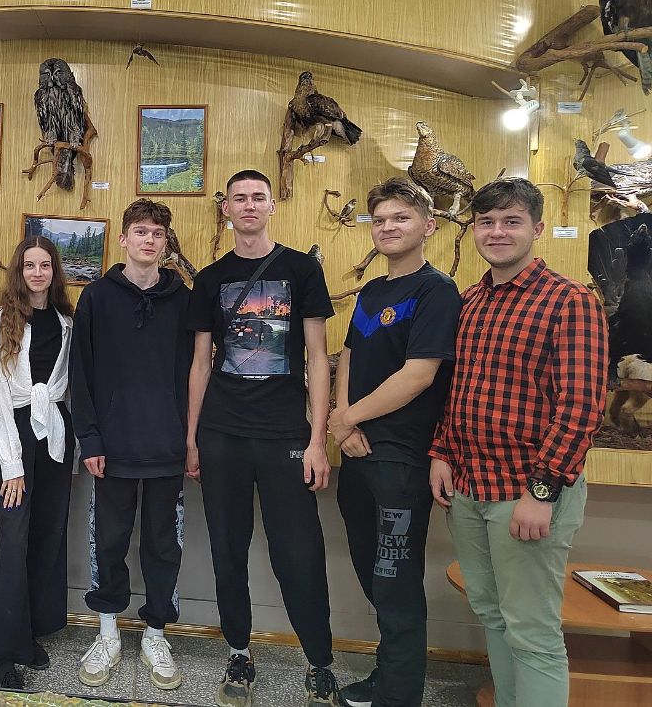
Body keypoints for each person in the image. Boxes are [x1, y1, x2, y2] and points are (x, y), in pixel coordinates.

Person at [429, 178, 607, 707]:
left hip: (527, 491)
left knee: (532, 631)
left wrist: (542, 492)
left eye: (511, 222)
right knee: (492, 614)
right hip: (469, 488)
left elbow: (581, 408)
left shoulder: (570, 302)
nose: (497, 232)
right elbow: (456, 390)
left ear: (538, 228)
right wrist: (441, 452)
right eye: (486, 222)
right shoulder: (468, 302)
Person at [186, 169, 342, 707]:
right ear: (226, 209)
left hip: (284, 434)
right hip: (222, 433)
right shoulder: (210, 279)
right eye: (239, 198)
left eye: (258, 197)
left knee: (299, 552)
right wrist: (192, 438)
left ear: (272, 206)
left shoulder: (301, 270)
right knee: (227, 549)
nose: (249, 205)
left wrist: (318, 440)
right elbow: (201, 363)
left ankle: (319, 661)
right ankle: (238, 651)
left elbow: (317, 358)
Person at [327, 178, 462, 707]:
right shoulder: (372, 291)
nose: (387, 227)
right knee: (373, 575)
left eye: (400, 218)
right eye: (379, 219)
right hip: (357, 452)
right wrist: (343, 421)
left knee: (395, 582)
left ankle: (399, 694)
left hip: (401, 459)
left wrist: (347, 419)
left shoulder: (436, 291)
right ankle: (387, 677)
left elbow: (418, 375)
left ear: (428, 226)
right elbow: (349, 356)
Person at [70, 199, 191, 692]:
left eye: (157, 233)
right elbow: (80, 374)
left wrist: (190, 439)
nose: (149, 240)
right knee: (109, 541)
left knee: (164, 544)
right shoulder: (96, 298)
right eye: (140, 231)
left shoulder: (183, 300)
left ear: (166, 243)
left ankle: (157, 634)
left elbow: (193, 374)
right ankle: (107, 633)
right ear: (123, 239)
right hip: (111, 447)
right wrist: (89, 439)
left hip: (167, 447)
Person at [0, 235, 75, 691]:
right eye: (29, 265)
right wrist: (10, 462)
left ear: (54, 272)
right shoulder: (0, 321)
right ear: (19, 271)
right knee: (15, 542)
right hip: (12, 435)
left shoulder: (66, 322)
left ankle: (29, 632)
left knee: (47, 534)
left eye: (45, 265)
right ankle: (3, 655)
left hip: (53, 432)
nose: (37, 273)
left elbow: (67, 385)